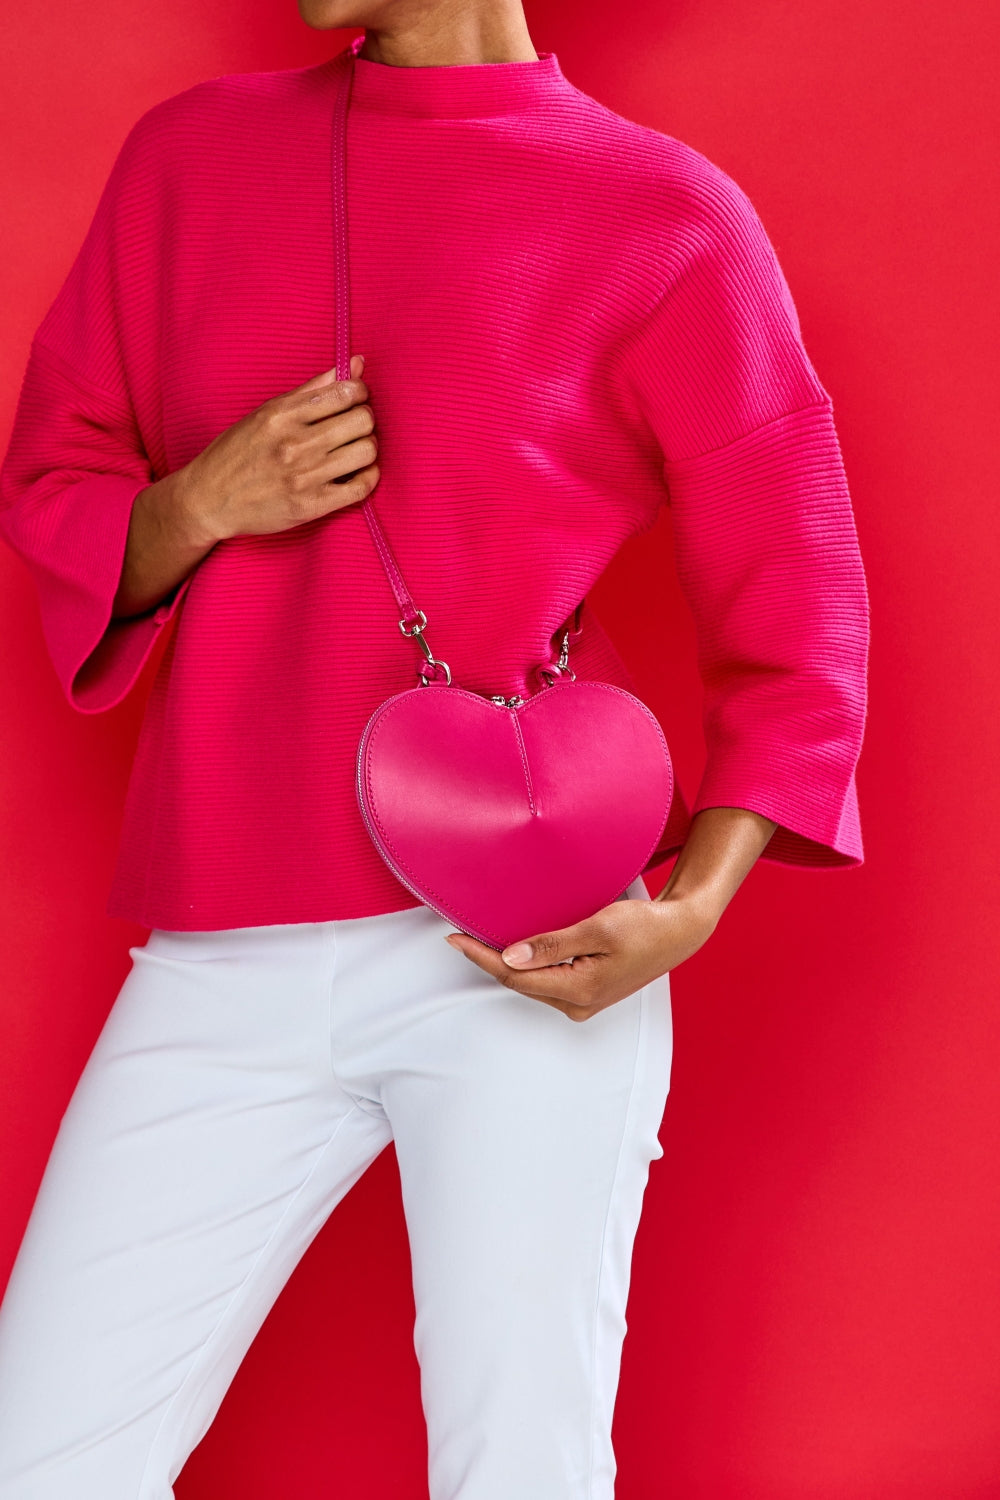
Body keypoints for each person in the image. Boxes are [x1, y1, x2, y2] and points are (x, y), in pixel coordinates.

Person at [0, 0, 869, 1495]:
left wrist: (689, 910)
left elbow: (800, 607)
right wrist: (199, 502)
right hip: (227, 936)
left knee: (522, 1470)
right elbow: (57, 471)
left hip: (535, 952)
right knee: (42, 1455)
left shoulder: (667, 218)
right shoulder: (191, 164)